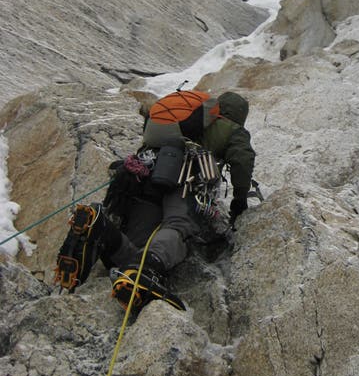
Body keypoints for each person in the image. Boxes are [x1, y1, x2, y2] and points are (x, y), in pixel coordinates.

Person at [55, 91, 255, 310]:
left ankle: (100, 228)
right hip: (183, 179)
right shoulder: (233, 130)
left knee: (135, 247)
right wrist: (239, 202)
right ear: (240, 116)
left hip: (143, 176)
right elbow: (242, 160)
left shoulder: (183, 122)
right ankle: (145, 271)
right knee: (178, 226)